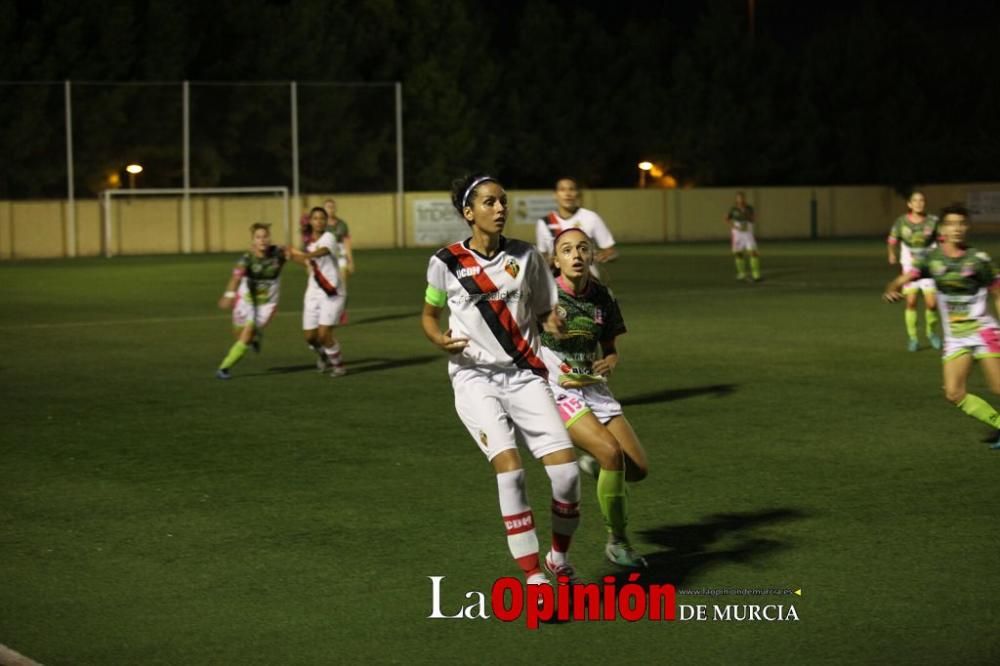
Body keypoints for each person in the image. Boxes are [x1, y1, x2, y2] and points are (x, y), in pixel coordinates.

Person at [422, 173, 582, 585]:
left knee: (566, 475)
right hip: (474, 378)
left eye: (503, 202)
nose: (500, 209)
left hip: (526, 376)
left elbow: (547, 309)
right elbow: (429, 313)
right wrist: (439, 338)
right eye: (490, 203)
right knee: (510, 470)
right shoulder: (446, 262)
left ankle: (558, 558)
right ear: (468, 212)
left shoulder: (527, 257)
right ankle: (533, 576)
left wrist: (556, 322)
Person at [539, 228, 650, 567]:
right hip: (557, 388)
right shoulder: (543, 295)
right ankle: (617, 541)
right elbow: (511, 327)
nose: (575, 255)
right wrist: (543, 321)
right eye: (567, 249)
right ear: (556, 260)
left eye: (582, 248)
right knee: (610, 452)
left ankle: (597, 465)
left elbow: (611, 344)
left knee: (638, 470)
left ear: (591, 255)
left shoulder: (602, 294)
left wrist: (612, 358)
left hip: (592, 385)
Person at [883, 203, 1000, 450]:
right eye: (951, 224)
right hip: (956, 338)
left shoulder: (978, 260)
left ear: (967, 227)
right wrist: (892, 290)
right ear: (942, 229)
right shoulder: (931, 260)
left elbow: (998, 293)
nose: (956, 229)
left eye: (961, 223)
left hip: (983, 332)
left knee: (998, 387)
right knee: (954, 393)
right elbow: (902, 279)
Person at [215, 223, 288, 379]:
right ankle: (253, 338)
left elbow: (294, 253)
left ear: (270, 239)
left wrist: (308, 263)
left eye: (265, 236)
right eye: (258, 237)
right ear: (253, 241)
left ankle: (224, 368)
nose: (262, 240)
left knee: (246, 335)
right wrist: (229, 295)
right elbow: (236, 277)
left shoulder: (278, 254)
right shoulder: (246, 259)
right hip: (245, 301)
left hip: (266, 305)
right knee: (239, 336)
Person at [288, 207, 347, 376]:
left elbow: (324, 251)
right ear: (311, 221)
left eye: (322, 218)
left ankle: (339, 366)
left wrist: (306, 255)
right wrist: (291, 256)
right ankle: (323, 355)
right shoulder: (308, 242)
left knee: (324, 334)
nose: (319, 221)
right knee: (310, 337)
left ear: (326, 221)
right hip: (313, 293)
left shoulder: (329, 237)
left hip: (332, 292)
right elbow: (307, 263)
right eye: (315, 218)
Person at [887, 191, 941, 352]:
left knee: (931, 304)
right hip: (910, 266)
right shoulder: (901, 222)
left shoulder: (933, 221)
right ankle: (913, 338)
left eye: (922, 200)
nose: (919, 203)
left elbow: (943, 240)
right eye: (915, 200)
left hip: (929, 266)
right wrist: (891, 252)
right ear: (909, 204)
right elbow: (892, 239)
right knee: (911, 302)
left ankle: (931, 333)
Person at [536, 177, 618, 276]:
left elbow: (612, 251)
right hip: (557, 285)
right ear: (555, 195)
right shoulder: (544, 222)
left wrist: (605, 255)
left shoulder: (591, 217)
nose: (568, 194)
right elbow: (543, 256)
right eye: (562, 189)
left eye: (572, 189)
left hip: (589, 283)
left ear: (578, 194)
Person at [323, 198, 354, 324]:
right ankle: (329, 310)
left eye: (332, 206)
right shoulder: (321, 225)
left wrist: (350, 260)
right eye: (328, 207)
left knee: (342, 286)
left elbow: (347, 241)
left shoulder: (342, 224)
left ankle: (342, 312)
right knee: (328, 286)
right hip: (326, 258)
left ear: (335, 208)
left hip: (340, 257)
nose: (330, 209)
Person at [725, 191, 761, 282]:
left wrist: (749, 219)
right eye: (739, 198)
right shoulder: (733, 209)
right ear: (736, 199)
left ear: (744, 199)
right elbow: (727, 219)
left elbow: (753, 219)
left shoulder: (749, 208)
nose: (740, 199)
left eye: (742, 198)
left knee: (753, 252)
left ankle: (756, 274)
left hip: (748, 233)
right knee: (738, 253)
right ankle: (741, 273)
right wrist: (733, 226)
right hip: (737, 234)